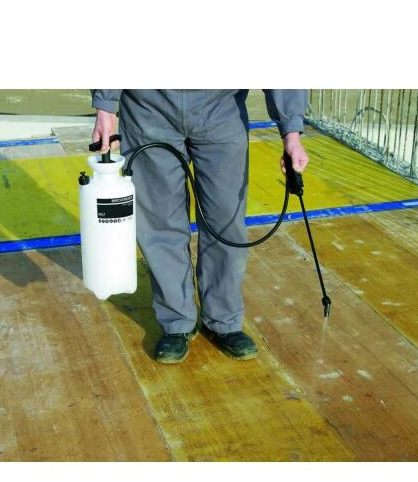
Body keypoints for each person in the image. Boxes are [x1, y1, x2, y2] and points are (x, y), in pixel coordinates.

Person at [91, 89, 309, 363]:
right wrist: (105, 106)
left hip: (221, 106)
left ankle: (223, 320)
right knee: (159, 221)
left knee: (226, 221)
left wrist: (291, 132)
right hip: (149, 106)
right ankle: (176, 321)